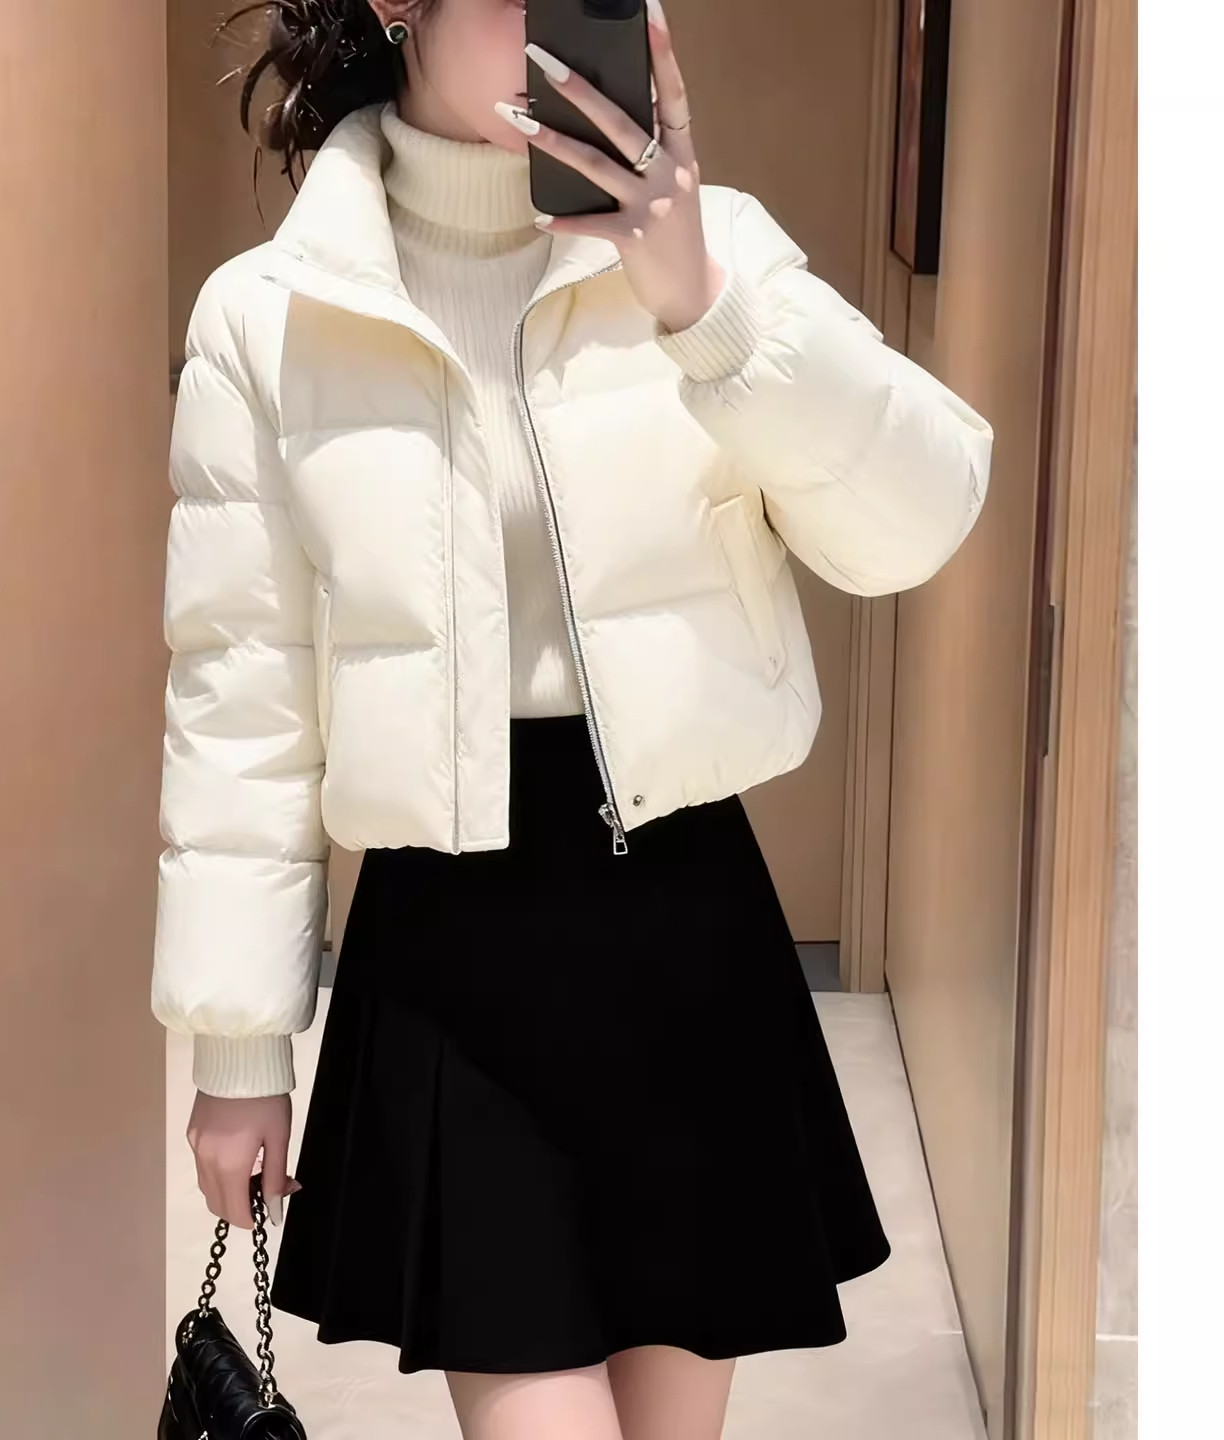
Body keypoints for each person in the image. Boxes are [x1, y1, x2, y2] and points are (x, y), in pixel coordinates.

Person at [151, 0, 993, 1435]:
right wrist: (240, 1052)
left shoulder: (713, 251)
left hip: (685, 927)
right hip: (453, 954)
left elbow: (919, 522)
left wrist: (707, 306)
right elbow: (242, 698)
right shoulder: (269, 316)